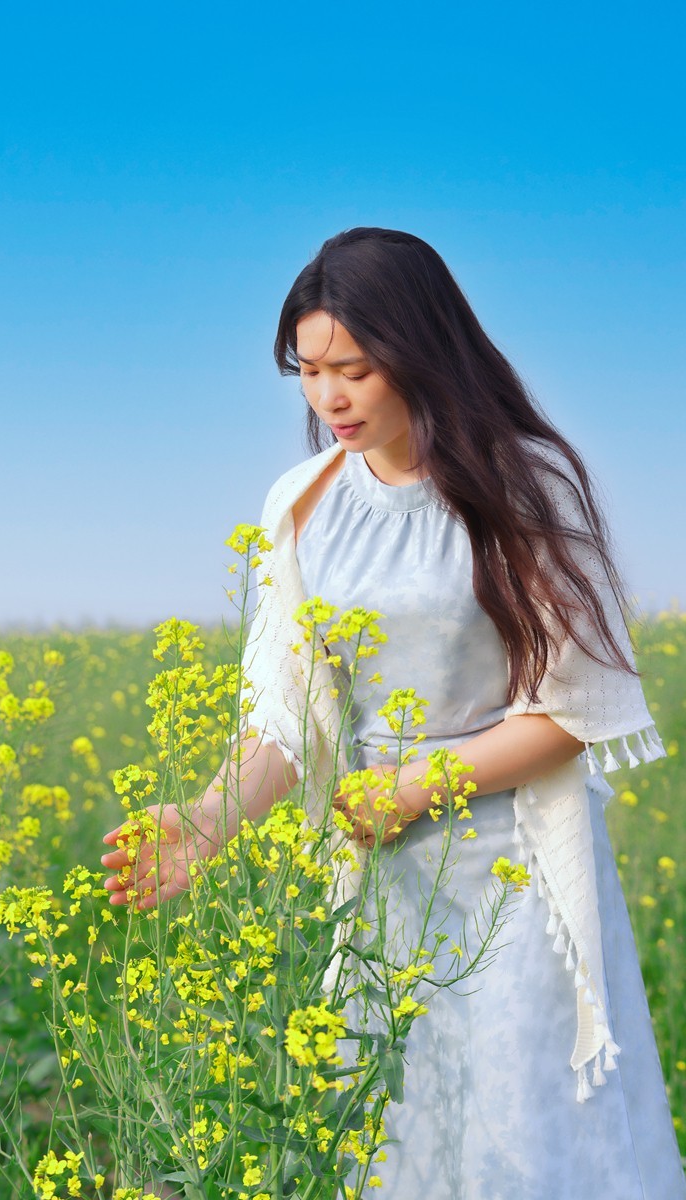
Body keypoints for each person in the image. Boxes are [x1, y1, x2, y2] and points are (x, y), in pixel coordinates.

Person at [102, 228, 685, 1198]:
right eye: (308, 370)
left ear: (419, 351)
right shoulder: (302, 505)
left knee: (520, 1129)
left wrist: (421, 785)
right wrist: (208, 821)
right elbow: (293, 713)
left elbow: (574, 709)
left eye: (354, 370)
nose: (327, 398)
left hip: (514, 874)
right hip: (380, 882)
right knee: (393, 1131)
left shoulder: (523, 487)